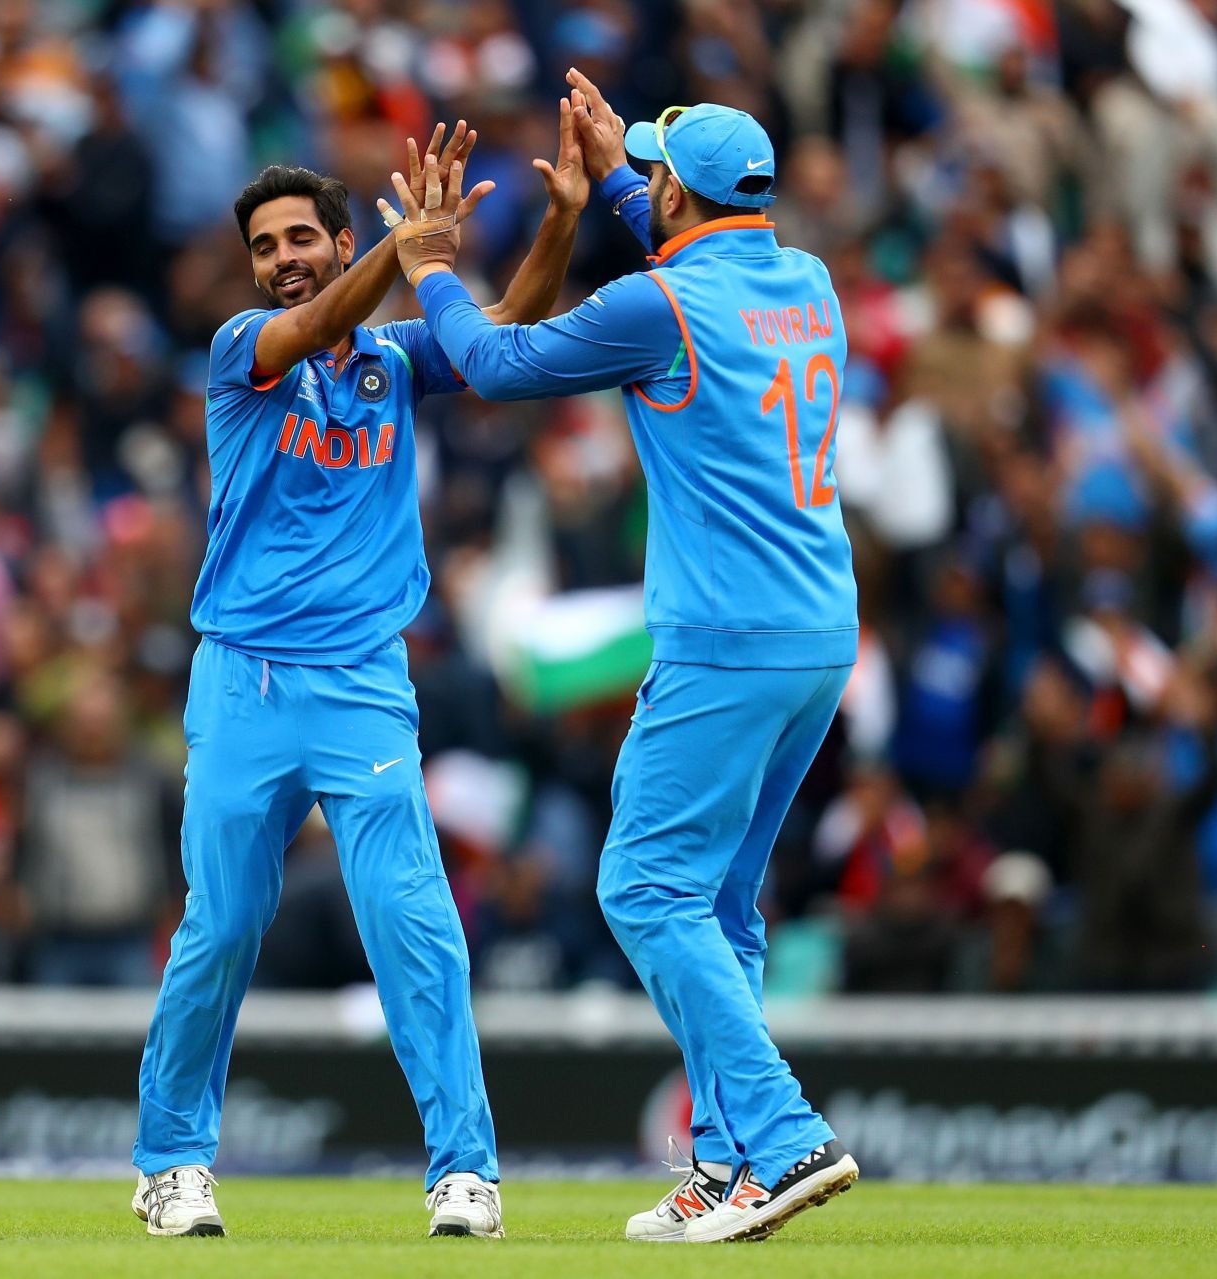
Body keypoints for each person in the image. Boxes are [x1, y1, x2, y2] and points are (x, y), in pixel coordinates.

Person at [381, 71, 860, 1243]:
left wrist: (431, 268)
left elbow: (493, 371)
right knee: (721, 901)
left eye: (655, 174)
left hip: (727, 637)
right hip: (818, 632)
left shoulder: (660, 304)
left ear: (679, 193)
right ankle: (729, 1164)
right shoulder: (809, 283)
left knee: (643, 886)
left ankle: (786, 1134)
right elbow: (703, 251)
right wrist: (624, 191)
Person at [131, 112, 588, 1240]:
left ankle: (463, 1168)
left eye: (301, 239)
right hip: (243, 680)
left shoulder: (392, 361)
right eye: (266, 247)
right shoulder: (243, 349)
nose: (282, 259)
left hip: (363, 683)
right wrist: (414, 244)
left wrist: (564, 221)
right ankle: (172, 1161)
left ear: (340, 239)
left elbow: (508, 329)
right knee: (224, 924)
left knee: (411, 917)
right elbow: (324, 320)